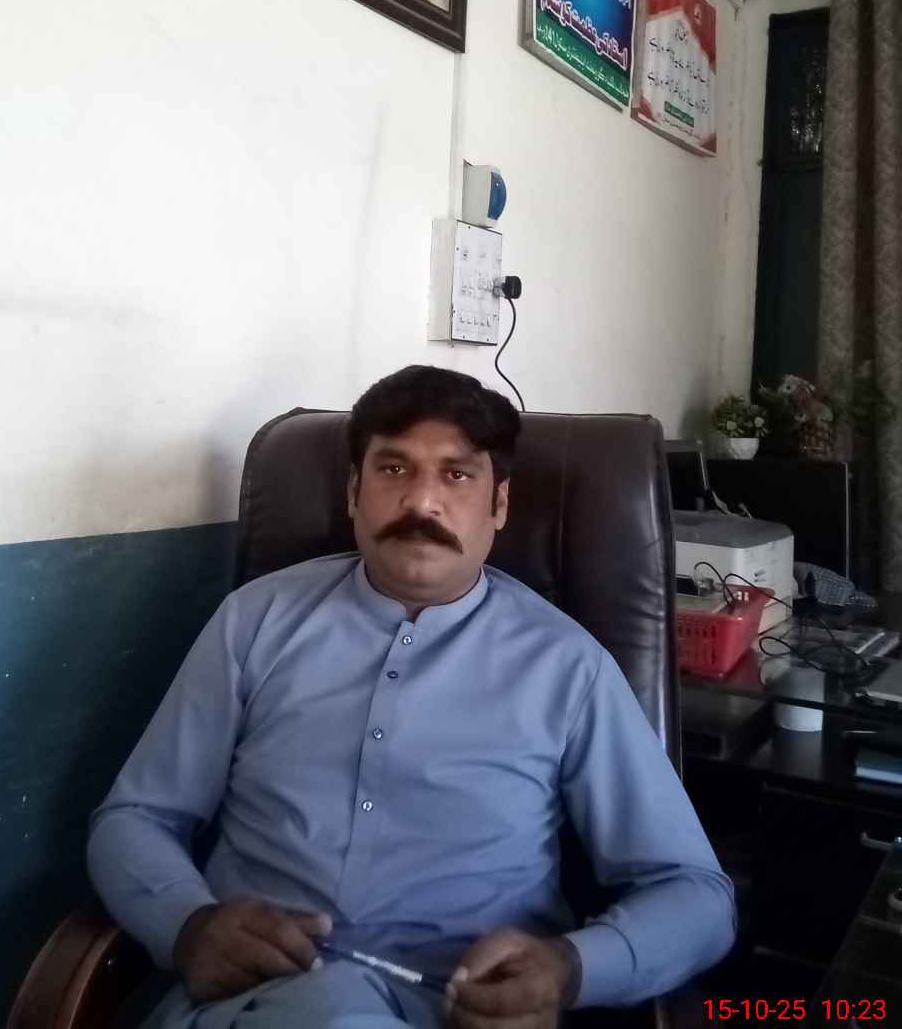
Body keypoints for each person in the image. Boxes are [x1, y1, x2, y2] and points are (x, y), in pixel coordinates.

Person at [88, 365, 735, 1028]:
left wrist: (569, 970)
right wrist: (189, 925)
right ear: (354, 492)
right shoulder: (253, 622)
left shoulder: (568, 668)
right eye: (394, 469)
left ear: (499, 505)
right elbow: (136, 817)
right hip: (249, 1004)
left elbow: (697, 896)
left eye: (457, 475)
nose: (422, 503)